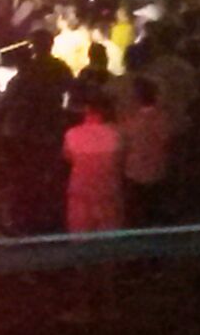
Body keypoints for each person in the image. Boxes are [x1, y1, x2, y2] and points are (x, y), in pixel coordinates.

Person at [1, 29, 74, 234]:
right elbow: (71, 91)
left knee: (24, 176)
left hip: (26, 130)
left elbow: (9, 99)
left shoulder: (28, 70)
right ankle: (45, 215)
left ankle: (23, 218)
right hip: (50, 128)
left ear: (35, 46)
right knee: (47, 174)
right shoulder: (60, 67)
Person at [64, 92, 124, 234]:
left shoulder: (72, 134)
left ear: (86, 110)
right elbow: (120, 160)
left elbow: (68, 157)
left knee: (80, 234)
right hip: (108, 191)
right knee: (109, 235)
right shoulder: (115, 134)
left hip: (81, 192)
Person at [120, 78, 171, 228]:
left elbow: (124, 144)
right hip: (158, 170)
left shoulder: (132, 121)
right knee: (154, 210)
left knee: (137, 212)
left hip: (135, 172)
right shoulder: (163, 118)